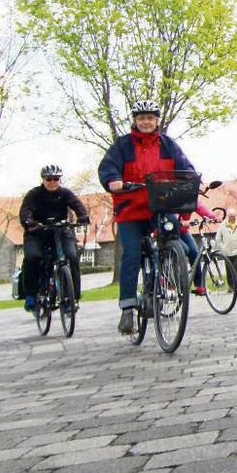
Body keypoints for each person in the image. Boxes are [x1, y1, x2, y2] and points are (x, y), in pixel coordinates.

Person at [98, 100, 199, 336]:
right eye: (142, 118)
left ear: (157, 121)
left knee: (176, 236)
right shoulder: (123, 145)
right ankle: (128, 308)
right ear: (135, 120)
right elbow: (108, 167)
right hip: (131, 208)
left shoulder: (168, 144)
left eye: (150, 118)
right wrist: (113, 180)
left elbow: (185, 166)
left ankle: (165, 278)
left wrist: (192, 178)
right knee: (132, 253)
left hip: (160, 205)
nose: (146, 122)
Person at [18, 164, 90, 312]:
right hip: (38, 232)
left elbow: (77, 205)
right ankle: (31, 295)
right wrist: (29, 222)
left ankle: (73, 297)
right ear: (43, 180)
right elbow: (25, 211)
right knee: (33, 257)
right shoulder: (34, 194)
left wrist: (82, 216)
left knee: (72, 257)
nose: (52, 182)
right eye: (49, 179)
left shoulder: (65, 194)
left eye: (56, 179)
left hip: (61, 231)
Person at [213, 209, 237, 290]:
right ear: (228, 217)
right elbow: (218, 238)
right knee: (229, 269)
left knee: (236, 267)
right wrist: (219, 248)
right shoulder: (223, 225)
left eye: (234, 216)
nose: (233, 218)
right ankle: (231, 286)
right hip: (227, 252)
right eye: (231, 216)